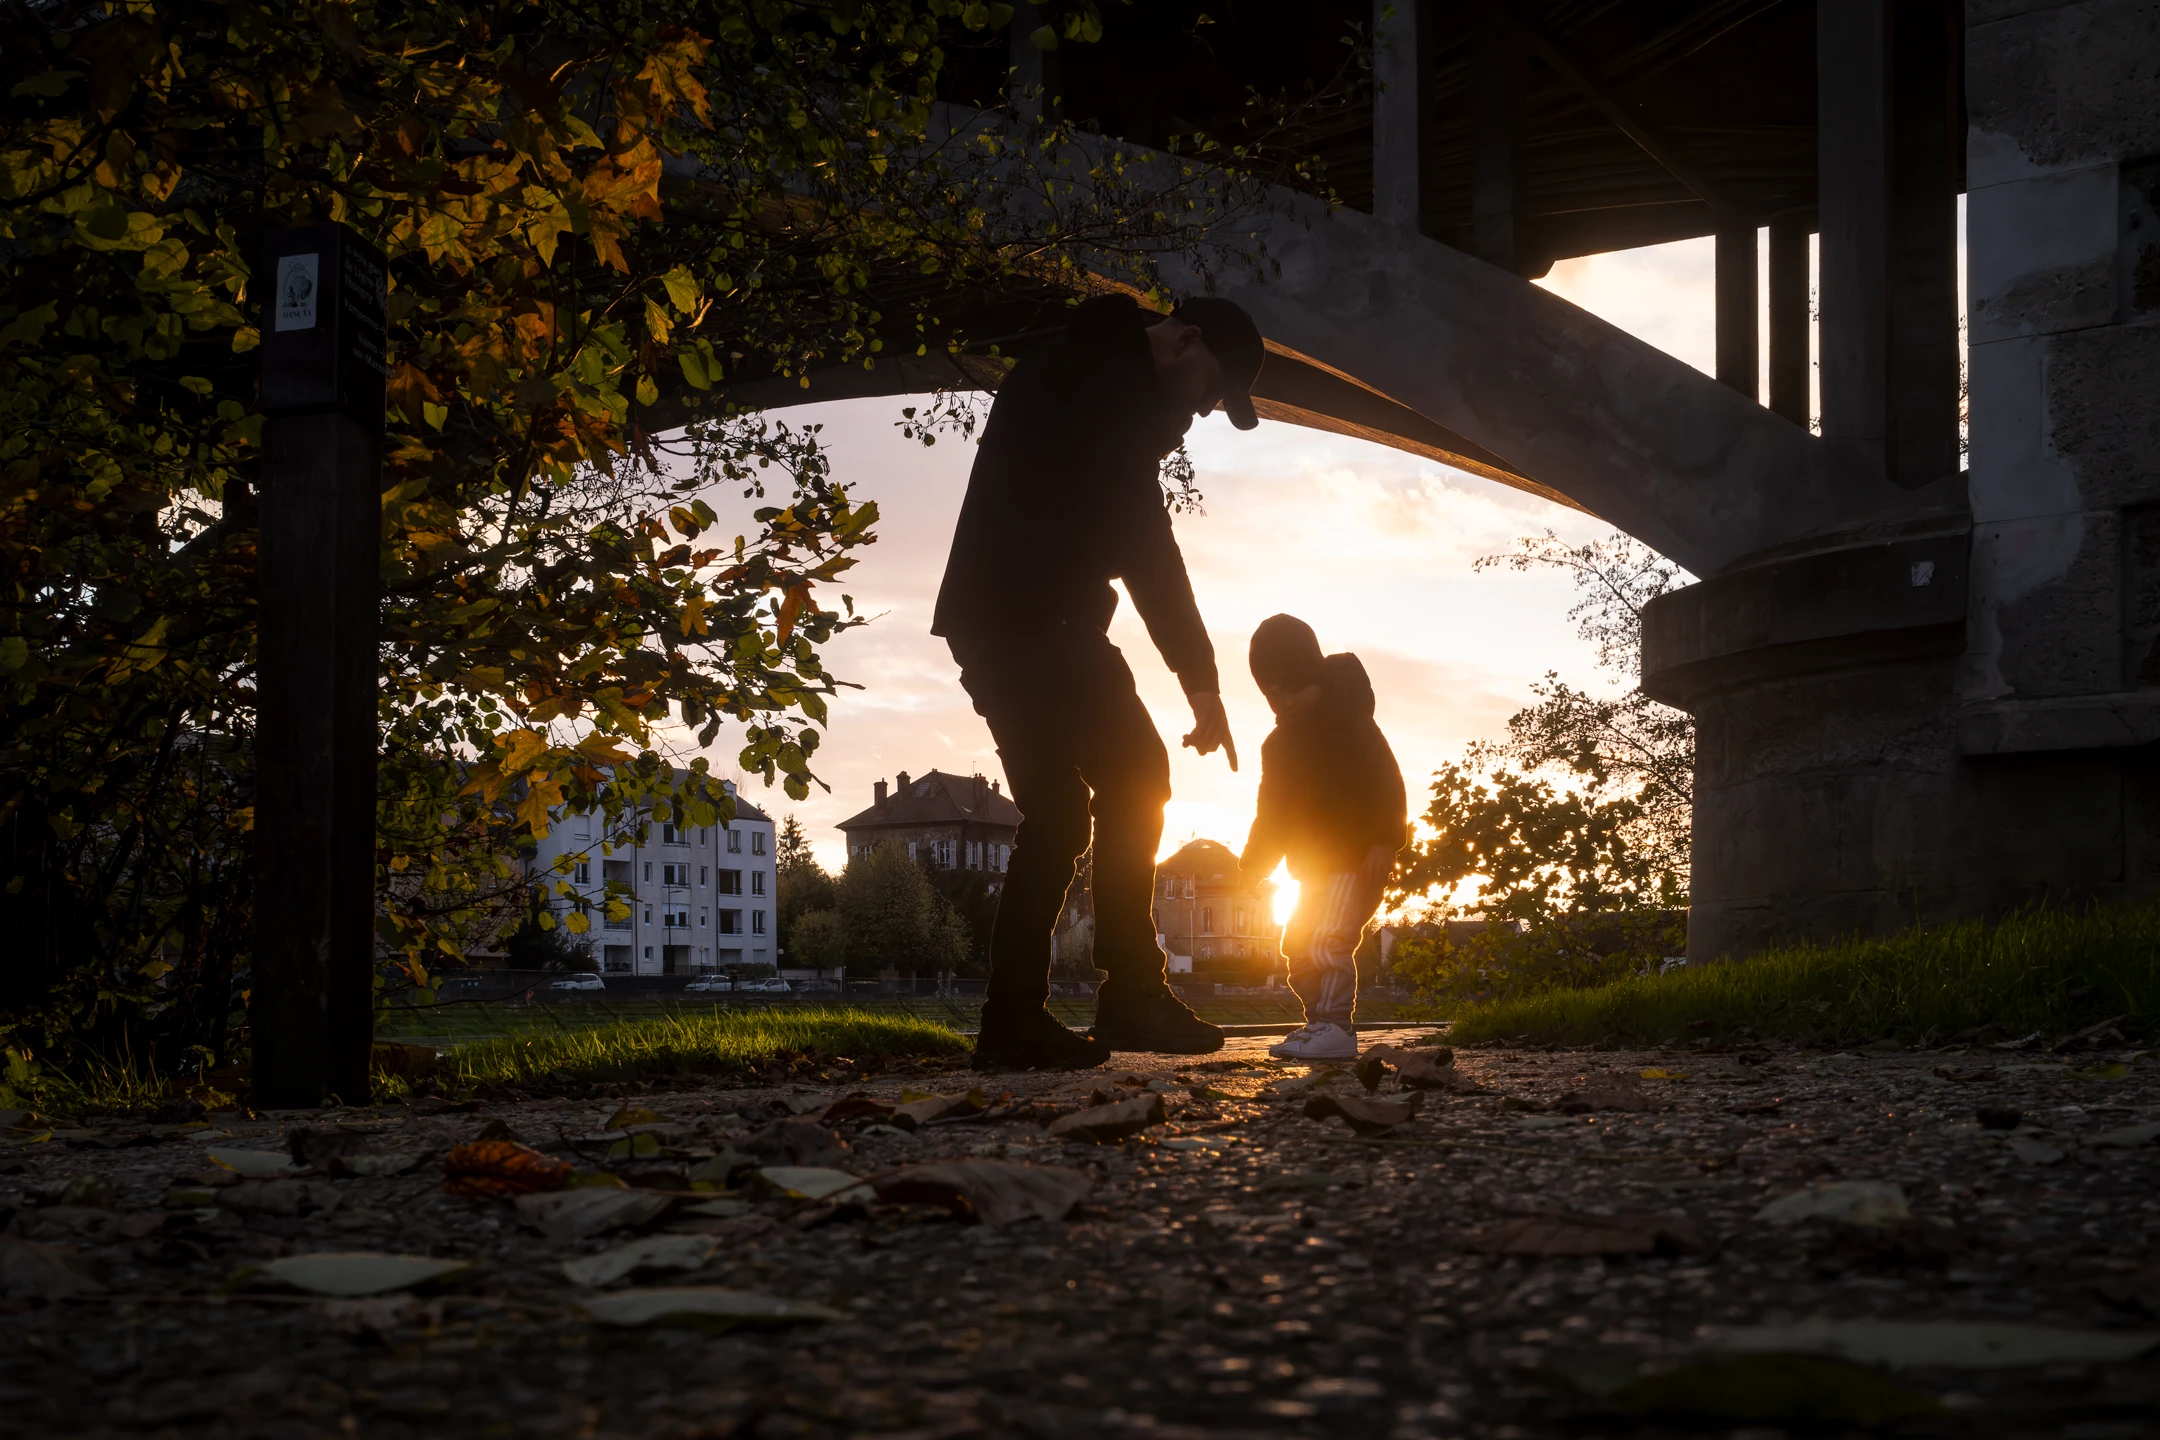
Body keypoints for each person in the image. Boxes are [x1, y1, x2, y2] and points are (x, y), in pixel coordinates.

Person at [934, 293, 1266, 1070]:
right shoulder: (1102, 387)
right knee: (1141, 775)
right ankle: (1131, 997)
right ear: (1185, 342)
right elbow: (1147, 547)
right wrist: (1202, 682)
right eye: (1217, 390)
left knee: (1056, 817)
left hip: (989, 623)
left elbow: (1126, 530)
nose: (1212, 410)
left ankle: (1011, 1017)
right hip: (1036, 619)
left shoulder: (1078, 373)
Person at [1238, 614, 1407, 1062]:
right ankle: (1318, 1024)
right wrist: (1253, 863)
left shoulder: (1350, 723)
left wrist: (1385, 839)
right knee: (1297, 945)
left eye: (1294, 687)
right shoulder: (1277, 747)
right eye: (1274, 692)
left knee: (1330, 939)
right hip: (1310, 870)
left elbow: (1387, 782)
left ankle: (1336, 1024)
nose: (1286, 700)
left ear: (1314, 676)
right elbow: (1272, 813)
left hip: (1356, 860)